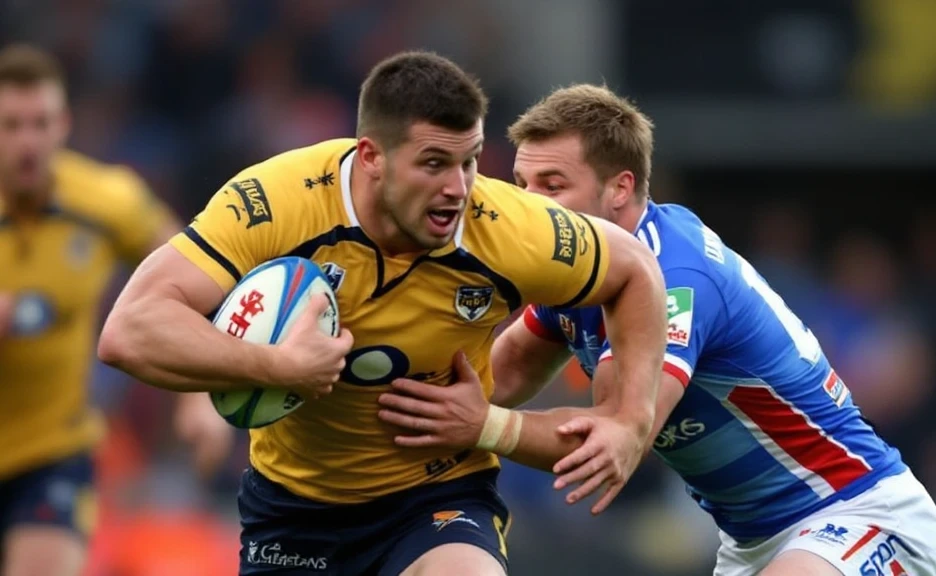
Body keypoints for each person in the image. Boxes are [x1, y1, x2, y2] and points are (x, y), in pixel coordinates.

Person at [96, 52, 668, 576]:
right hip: (293, 509)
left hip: (436, 497)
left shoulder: (507, 226)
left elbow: (635, 271)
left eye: (469, 162)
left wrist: (631, 418)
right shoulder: (279, 202)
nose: (458, 189)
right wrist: (277, 366)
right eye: (434, 164)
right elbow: (131, 330)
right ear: (371, 156)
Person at [376, 84, 936, 576]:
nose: (531, 207)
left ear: (620, 189)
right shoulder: (578, 269)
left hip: (854, 511)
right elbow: (506, 370)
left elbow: (614, 440)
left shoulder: (673, 278)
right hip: (753, 543)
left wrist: (482, 426)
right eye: (522, 185)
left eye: (553, 186)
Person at [0, 44, 234, 576]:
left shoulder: (107, 201)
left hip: (50, 451)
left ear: (64, 124)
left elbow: (195, 277)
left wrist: (200, 396)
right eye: (11, 125)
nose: (27, 141)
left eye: (40, 123)